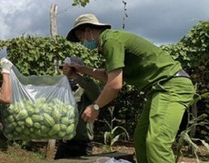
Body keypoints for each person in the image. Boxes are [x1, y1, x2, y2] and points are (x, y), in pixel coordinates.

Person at [66, 13, 195, 163]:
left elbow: (115, 85)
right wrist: (81, 69)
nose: (82, 43)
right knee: (140, 139)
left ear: (88, 30)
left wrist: (95, 106)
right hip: (158, 90)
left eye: (80, 38)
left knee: (157, 142)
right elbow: (109, 76)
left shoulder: (111, 41)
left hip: (171, 85)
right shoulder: (109, 43)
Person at [54, 56, 101, 159]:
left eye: (72, 70)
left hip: (81, 145)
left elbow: (96, 92)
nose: (68, 75)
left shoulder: (86, 89)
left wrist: (75, 76)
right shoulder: (63, 90)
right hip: (63, 143)